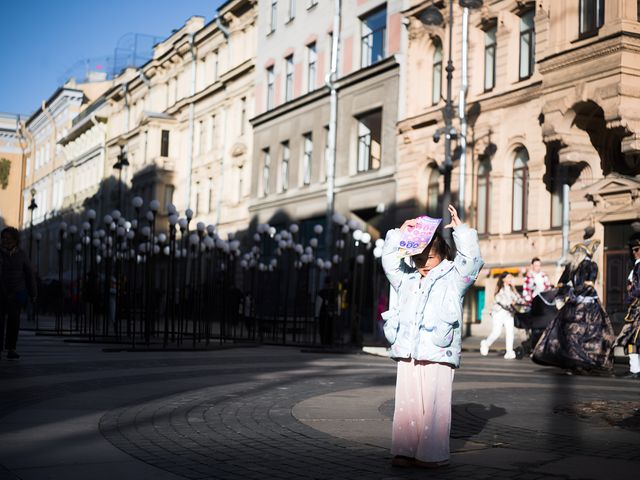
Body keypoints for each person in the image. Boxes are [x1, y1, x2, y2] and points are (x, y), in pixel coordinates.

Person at [381, 205, 483, 469]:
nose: (422, 264)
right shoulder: (407, 278)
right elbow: (389, 262)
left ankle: (432, 454)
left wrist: (461, 231)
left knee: (435, 407)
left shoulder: (454, 278)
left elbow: (472, 262)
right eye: (417, 258)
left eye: (428, 257)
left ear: (440, 254)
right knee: (406, 403)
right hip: (408, 350)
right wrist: (398, 234)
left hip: (439, 347)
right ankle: (404, 450)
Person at [532, 230, 615, 374]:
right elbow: (583, 285)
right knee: (590, 333)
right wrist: (570, 294)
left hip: (577, 304)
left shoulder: (574, 266)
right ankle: (581, 363)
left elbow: (562, 285)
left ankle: (576, 363)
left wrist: (566, 296)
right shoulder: (589, 266)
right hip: (586, 305)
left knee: (571, 333)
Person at [0, 227, 37, 360]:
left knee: (13, 321)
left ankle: (11, 348)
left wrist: (33, 293)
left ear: (15, 240)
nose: (5, 240)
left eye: (8, 238)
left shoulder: (21, 254)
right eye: (3, 238)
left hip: (16, 292)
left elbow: (29, 274)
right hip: (1, 292)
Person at [479, 272, 523, 360]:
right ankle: (486, 344)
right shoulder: (499, 289)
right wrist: (511, 302)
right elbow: (500, 300)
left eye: (511, 277)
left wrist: (514, 288)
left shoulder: (511, 289)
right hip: (498, 313)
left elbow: (519, 299)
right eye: (509, 277)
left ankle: (509, 352)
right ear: (503, 279)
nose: (510, 278)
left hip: (509, 314)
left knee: (510, 333)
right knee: (496, 332)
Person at [614, 233, 640, 379]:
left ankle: (635, 370)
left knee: (632, 339)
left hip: (638, 309)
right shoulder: (636, 266)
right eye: (633, 250)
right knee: (633, 340)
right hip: (635, 308)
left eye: (637, 249)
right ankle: (635, 368)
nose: (634, 252)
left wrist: (632, 291)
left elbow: (638, 288)